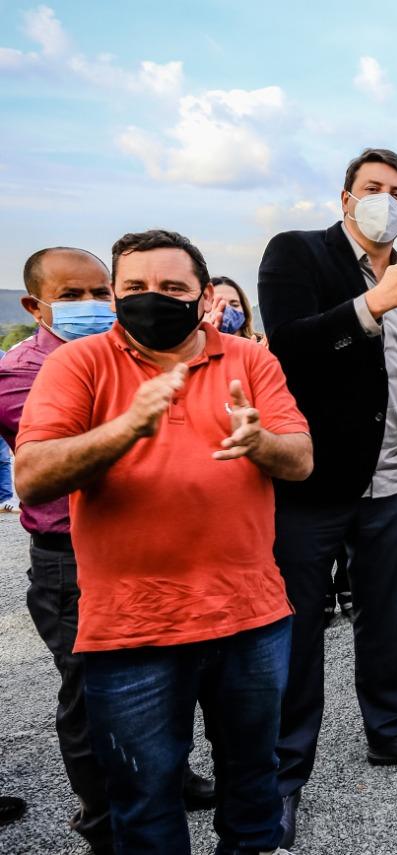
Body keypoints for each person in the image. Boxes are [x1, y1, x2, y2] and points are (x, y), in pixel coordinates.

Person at [14, 229, 313, 854]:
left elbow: (301, 458)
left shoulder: (250, 360)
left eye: (173, 287)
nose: (155, 298)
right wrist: (126, 427)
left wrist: (260, 443)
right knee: (145, 801)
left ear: (202, 296)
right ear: (119, 295)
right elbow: (33, 475)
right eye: (137, 287)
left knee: (254, 786)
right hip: (132, 630)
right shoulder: (79, 362)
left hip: (249, 618)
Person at [258, 147, 397, 849]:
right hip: (314, 486)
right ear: (346, 198)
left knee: (384, 614)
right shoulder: (298, 254)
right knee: (298, 627)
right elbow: (285, 345)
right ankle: (283, 774)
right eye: (373, 188)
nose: (386, 199)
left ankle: (390, 729)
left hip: (393, 483)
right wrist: (369, 305)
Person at [0, 246, 221, 853]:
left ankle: (165, 779)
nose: (93, 306)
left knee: (162, 677)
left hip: (147, 544)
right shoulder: (29, 371)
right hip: (70, 555)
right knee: (92, 691)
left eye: (102, 292)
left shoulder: (131, 356)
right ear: (33, 306)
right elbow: (53, 458)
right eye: (72, 297)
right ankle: (102, 816)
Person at [210, 275, 265, 342]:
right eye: (218, 303)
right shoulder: (195, 347)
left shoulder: (261, 345)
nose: (227, 309)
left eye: (234, 305)